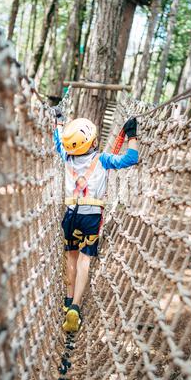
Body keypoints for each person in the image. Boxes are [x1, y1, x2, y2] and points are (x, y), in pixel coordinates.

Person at [53, 108, 138, 332]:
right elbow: (132, 158)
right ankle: (76, 308)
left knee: (71, 257)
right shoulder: (103, 159)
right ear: (91, 144)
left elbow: (58, 143)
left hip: (70, 215)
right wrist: (132, 135)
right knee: (84, 260)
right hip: (91, 217)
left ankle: (68, 300)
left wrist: (58, 123)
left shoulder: (67, 156)